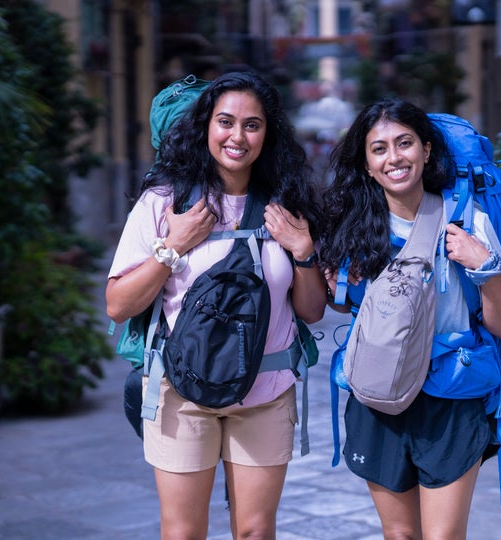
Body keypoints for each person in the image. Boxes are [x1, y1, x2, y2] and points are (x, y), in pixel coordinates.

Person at [106, 71, 327, 540]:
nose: (237, 136)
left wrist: (304, 250)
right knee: (183, 532)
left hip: (267, 391)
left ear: (268, 133)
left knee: (254, 531)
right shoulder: (164, 203)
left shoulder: (285, 205)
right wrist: (173, 246)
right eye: (226, 122)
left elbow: (311, 312)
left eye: (252, 125)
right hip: (180, 391)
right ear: (206, 125)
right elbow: (118, 305)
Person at [319, 98, 501, 540]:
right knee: (400, 535)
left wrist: (483, 267)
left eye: (405, 143)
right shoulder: (352, 227)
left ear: (426, 150)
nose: (394, 157)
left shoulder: (465, 220)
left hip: (451, 395)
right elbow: (346, 307)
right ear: (367, 164)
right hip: (378, 392)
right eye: (379, 149)